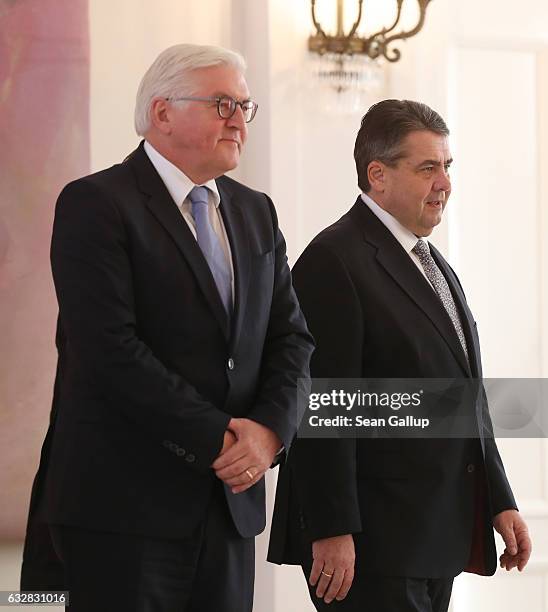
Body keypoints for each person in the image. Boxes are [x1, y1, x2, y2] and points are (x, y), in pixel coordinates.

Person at [20, 43, 314, 612]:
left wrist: (270, 432)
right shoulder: (96, 203)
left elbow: (292, 338)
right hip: (120, 511)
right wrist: (221, 436)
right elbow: (109, 351)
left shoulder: (257, 212)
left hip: (229, 506)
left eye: (244, 107)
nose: (238, 119)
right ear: (162, 113)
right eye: (222, 102)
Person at [268, 99, 531, 611]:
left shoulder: (434, 265)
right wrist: (332, 530)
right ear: (378, 175)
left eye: (447, 166)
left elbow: (463, 399)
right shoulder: (332, 261)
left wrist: (499, 500)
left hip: (436, 537)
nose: (445, 182)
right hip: (370, 546)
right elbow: (320, 408)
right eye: (427, 167)